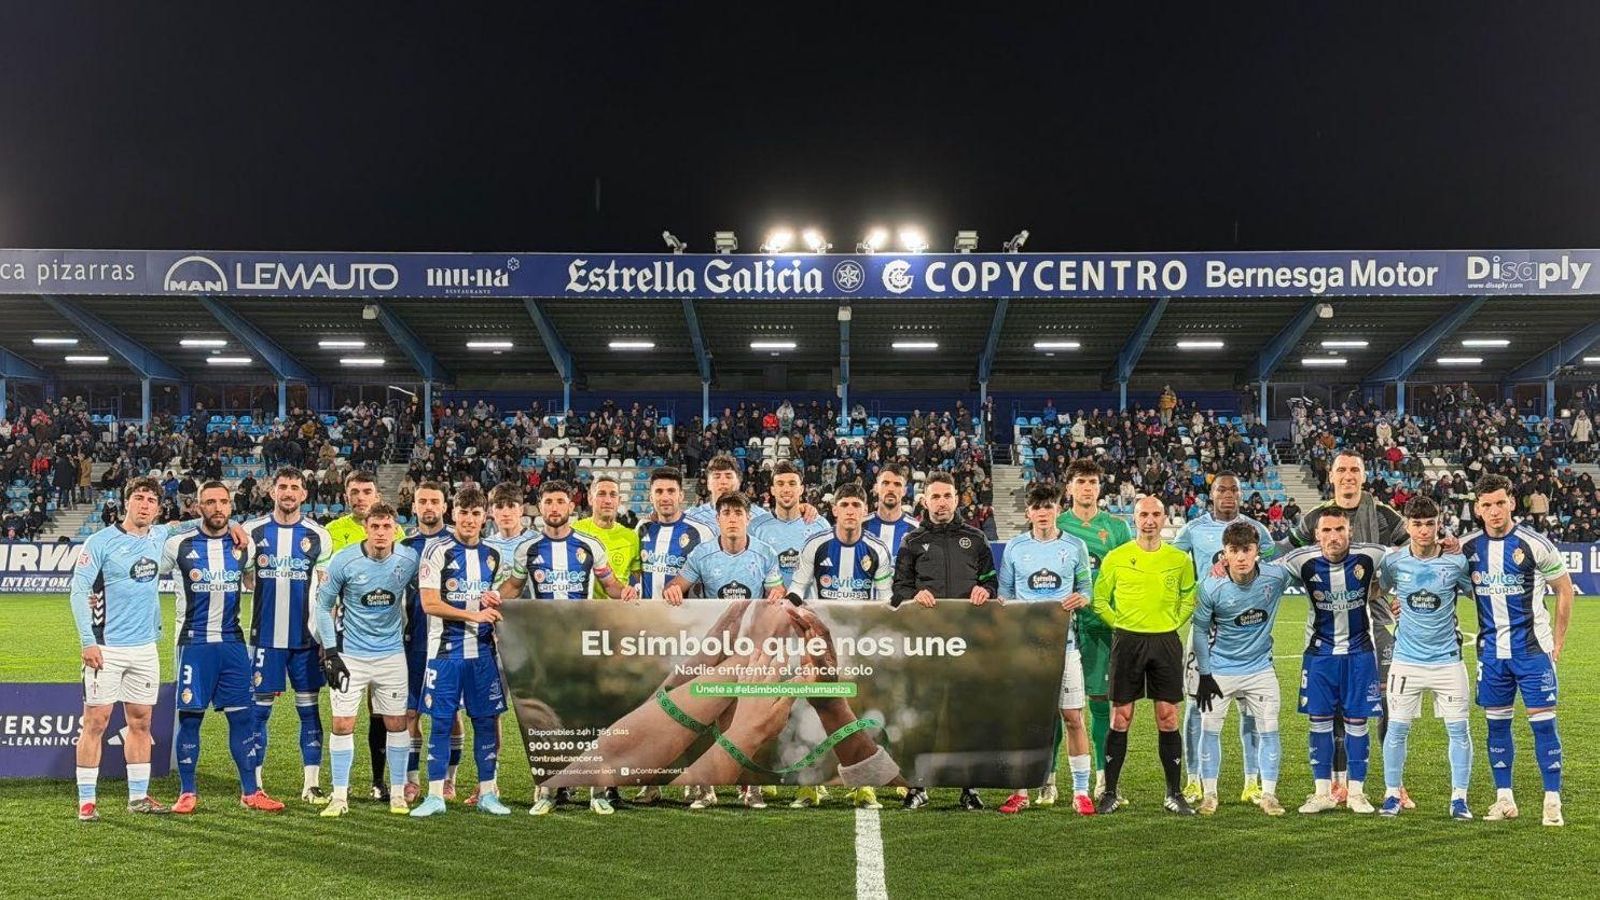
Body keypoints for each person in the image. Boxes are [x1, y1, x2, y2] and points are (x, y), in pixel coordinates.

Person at [69, 476, 245, 821]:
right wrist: (88, 641)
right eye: (139, 498)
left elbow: (205, 518)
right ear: (126, 503)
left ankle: (138, 796)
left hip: (145, 648)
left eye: (151, 499)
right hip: (107, 647)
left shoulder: (160, 535)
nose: (145, 504)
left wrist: (235, 523)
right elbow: (78, 591)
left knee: (141, 721)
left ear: (158, 508)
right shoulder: (100, 541)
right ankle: (87, 800)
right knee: (96, 721)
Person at [496, 480, 639, 815]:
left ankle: (598, 793)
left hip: (583, 643)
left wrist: (627, 593)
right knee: (548, 720)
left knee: (592, 718)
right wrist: (491, 598)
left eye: (561, 501)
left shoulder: (590, 545)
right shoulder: (527, 550)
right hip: (544, 647)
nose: (555, 508)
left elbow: (611, 585)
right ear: (540, 507)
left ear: (571, 506)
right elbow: (514, 588)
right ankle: (548, 791)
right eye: (548, 502)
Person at [1287, 449, 1410, 807]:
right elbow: (1284, 550)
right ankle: (1339, 784)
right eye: (1341, 470)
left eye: (1355, 469)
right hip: (1329, 624)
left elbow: (1413, 552)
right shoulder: (1315, 518)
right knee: (1334, 707)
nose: (1348, 476)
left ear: (1364, 475)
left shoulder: (1385, 515)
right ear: (1331, 476)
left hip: (1379, 623)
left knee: (1390, 702)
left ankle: (1393, 783)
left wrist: (1395, 588)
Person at [161, 482, 283, 813]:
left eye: (223, 502)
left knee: (244, 719)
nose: (217, 508)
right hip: (194, 644)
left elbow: (252, 581)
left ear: (230, 506)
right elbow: (146, 569)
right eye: (210, 502)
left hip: (232, 643)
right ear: (197, 506)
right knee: (190, 721)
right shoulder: (177, 545)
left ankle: (250, 792)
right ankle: (187, 792)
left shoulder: (244, 546)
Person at [1461, 474, 1573, 826]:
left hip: (1532, 652)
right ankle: (1504, 799)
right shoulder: (1467, 548)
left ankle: (1552, 800)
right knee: (1496, 727)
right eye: (1487, 505)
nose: (1494, 511)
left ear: (1511, 502)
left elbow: (1565, 589)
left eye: (1500, 503)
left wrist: (1558, 641)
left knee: (1543, 725)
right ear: (1477, 509)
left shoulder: (1535, 543)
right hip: (1492, 654)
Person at [663, 491, 787, 810]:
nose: (732, 519)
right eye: (726, 513)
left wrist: (776, 594)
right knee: (706, 715)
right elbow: (676, 585)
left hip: (751, 648)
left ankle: (750, 787)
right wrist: (675, 589)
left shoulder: (764, 553)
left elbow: (777, 589)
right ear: (718, 519)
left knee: (746, 715)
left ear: (748, 518)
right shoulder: (702, 554)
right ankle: (706, 787)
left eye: (738, 513)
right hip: (714, 646)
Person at [783, 482, 895, 810]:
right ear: (835, 510)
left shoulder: (876, 550)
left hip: (859, 642)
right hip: (819, 643)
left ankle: (864, 787)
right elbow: (797, 590)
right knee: (811, 711)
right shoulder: (816, 545)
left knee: (855, 711)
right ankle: (810, 785)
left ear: (864, 511)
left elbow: (885, 602)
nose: (849, 511)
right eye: (843, 505)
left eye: (855, 505)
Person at [891, 471, 998, 811]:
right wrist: (914, 594)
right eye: (935, 496)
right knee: (924, 714)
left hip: (967, 640)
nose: (941, 502)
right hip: (927, 641)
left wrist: (987, 590)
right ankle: (917, 786)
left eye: (947, 496)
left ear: (956, 498)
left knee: (965, 714)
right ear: (925, 500)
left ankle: (969, 787)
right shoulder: (912, 540)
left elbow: (991, 582)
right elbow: (898, 589)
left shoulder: (976, 538)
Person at [1173, 472, 1278, 805]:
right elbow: (1173, 566)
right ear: (1211, 493)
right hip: (1206, 625)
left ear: (1241, 493)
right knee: (1195, 705)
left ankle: (1252, 782)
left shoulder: (1257, 530)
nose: (1228, 494)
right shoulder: (1193, 529)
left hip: (1244, 629)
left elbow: (1272, 565)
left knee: (1251, 711)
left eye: (1234, 488)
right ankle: (1193, 780)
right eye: (1222, 489)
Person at [1091, 496, 1198, 815]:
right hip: (1127, 642)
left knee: (1168, 717)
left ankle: (1173, 794)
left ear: (1164, 518)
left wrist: (1171, 624)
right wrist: (1121, 625)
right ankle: (1109, 792)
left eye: (1155, 514)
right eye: (1143, 515)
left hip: (1165, 641)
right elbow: (1099, 600)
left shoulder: (1179, 559)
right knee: (1120, 717)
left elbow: (1189, 597)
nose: (1149, 520)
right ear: (1134, 519)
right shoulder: (1116, 557)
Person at [993, 482, 1095, 815]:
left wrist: (1082, 598)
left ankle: (1081, 792)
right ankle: (1020, 791)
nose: (1042, 513)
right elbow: (1005, 597)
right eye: (1037, 507)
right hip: (1025, 649)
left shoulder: (1075, 546)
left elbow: (1086, 591)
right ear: (1028, 512)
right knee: (1022, 720)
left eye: (1048, 506)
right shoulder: (1014, 548)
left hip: (1064, 648)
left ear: (1057, 509)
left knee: (1073, 718)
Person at [1278, 509, 1388, 815]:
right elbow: (1266, 569)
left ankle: (1357, 793)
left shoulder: (1371, 555)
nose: (1333, 536)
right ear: (1317, 534)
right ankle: (1322, 792)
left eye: (1339, 529)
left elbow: (1406, 559)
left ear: (1350, 532)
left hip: (1360, 654)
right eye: (1326, 530)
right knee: (1320, 722)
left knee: (1357, 722)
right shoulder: (1302, 560)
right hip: (1320, 656)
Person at [410, 487, 512, 817]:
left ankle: (487, 793)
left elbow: (492, 597)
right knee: (441, 723)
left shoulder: (493, 556)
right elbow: (429, 603)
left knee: (485, 723)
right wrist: (474, 614)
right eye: (464, 512)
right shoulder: (436, 551)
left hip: (482, 655)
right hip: (445, 654)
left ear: (485, 517)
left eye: (476, 513)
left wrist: (492, 602)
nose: (469, 519)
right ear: (454, 514)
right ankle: (435, 795)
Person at [314, 503, 419, 817]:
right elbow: (323, 606)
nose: (381, 533)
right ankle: (339, 797)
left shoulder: (408, 559)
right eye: (375, 526)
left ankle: (398, 794)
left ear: (395, 530)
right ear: (366, 528)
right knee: (343, 724)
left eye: (387, 527)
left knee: (397, 725)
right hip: (351, 657)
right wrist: (331, 653)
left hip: (391, 656)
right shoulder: (343, 561)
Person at [1375, 496, 1474, 820]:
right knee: (1397, 729)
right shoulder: (1394, 562)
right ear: (1407, 525)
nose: (1424, 530)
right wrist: (1394, 602)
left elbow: (1474, 593)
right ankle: (1392, 794)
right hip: (1406, 661)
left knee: (1458, 730)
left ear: (1438, 524)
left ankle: (1459, 799)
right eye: (1417, 524)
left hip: (1447, 661)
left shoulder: (1455, 562)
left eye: (1430, 524)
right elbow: (1380, 589)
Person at [246, 468, 335, 804]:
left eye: (294, 487)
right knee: (259, 714)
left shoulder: (318, 535)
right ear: (272, 492)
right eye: (282, 486)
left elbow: (325, 593)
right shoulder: (252, 532)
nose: (288, 492)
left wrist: (327, 639)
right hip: (265, 639)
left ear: (304, 494)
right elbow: (242, 576)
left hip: (306, 641)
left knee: (309, 711)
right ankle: (254, 785)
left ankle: (311, 785)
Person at [1190, 522, 1292, 816]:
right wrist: (1205, 674)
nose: (1241, 557)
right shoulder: (1211, 586)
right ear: (1224, 554)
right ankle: (1210, 795)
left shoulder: (1276, 576)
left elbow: (1302, 559)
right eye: (1234, 551)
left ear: (1257, 551)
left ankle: (1269, 795)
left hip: (1260, 669)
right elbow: (1199, 632)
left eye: (1247, 549)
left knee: (1270, 729)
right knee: (1210, 730)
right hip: (1220, 670)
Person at [630, 466, 715, 805]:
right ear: (651, 496)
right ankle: (651, 782)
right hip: (650, 630)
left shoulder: (699, 531)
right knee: (651, 709)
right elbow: (637, 573)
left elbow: (708, 577)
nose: (665, 497)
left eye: (671, 492)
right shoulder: (642, 529)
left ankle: (702, 783)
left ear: (683, 496)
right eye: (659, 492)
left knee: (695, 707)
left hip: (689, 630)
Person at [1055, 458, 1132, 802]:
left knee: (1101, 702)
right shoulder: (1056, 525)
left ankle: (1104, 780)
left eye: (1093, 482)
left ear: (1100, 487)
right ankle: (1048, 780)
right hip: (1061, 628)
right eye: (1081, 482)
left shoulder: (1116, 528)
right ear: (1069, 487)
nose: (1088, 488)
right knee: (1057, 707)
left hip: (1103, 625)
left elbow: (1129, 574)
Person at [396, 482, 461, 803]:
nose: (429, 506)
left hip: (450, 642)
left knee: (449, 715)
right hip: (413, 642)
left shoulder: (458, 542)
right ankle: (411, 779)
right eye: (423, 501)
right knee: (410, 714)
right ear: (414, 507)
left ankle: (450, 780)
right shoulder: (404, 547)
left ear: (445, 506)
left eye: (435, 501)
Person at [750, 460, 832, 589]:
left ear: (801, 489)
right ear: (772, 490)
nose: (786, 489)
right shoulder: (755, 528)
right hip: (770, 607)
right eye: (780, 484)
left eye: (792, 484)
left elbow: (828, 571)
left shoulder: (820, 526)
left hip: (809, 606)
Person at [574, 475, 643, 600]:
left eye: (613, 495)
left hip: (618, 612)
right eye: (601, 494)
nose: (608, 501)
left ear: (619, 500)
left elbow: (643, 582)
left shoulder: (631, 537)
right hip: (582, 612)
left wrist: (634, 591)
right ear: (590, 499)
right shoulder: (575, 531)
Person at [864, 464, 918, 557]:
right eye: (885, 483)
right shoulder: (861, 526)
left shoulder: (916, 529)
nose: (891, 489)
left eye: (897, 484)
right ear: (876, 488)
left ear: (904, 491)